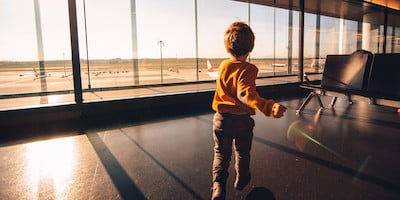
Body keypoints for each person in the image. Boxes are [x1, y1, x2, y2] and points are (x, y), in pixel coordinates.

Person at [211, 21, 287, 200]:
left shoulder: (223, 66)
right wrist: (268, 106)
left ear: (227, 47)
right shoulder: (249, 69)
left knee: (221, 154)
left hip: (221, 119)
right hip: (242, 121)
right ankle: (242, 178)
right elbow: (245, 93)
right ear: (251, 47)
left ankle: (218, 187)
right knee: (242, 152)